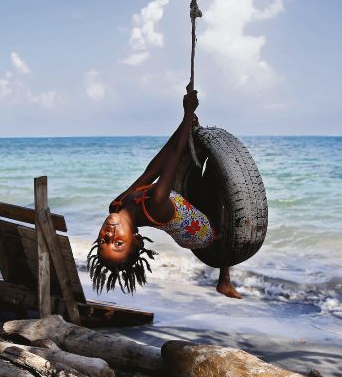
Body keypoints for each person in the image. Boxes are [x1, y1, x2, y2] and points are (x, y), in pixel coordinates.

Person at [87, 87, 242, 298]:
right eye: (118, 243)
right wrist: (188, 112)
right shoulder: (155, 205)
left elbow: (152, 169)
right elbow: (174, 157)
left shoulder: (117, 205)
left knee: (195, 167)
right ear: (137, 240)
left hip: (183, 221)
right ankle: (224, 280)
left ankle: (223, 278)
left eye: (104, 241)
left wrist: (185, 125)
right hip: (201, 234)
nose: (110, 236)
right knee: (216, 175)